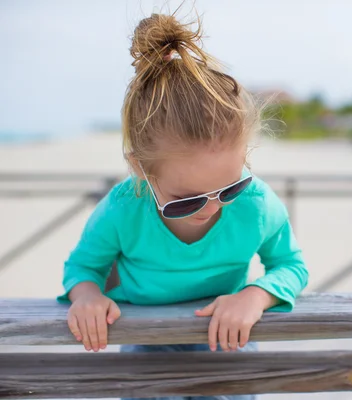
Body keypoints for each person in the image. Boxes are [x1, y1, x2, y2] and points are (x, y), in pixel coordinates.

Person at [57, 12, 308, 400]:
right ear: (141, 170)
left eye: (231, 187)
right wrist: (88, 296)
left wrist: (255, 296)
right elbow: (82, 267)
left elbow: (291, 265)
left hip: (226, 338)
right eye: (185, 200)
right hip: (146, 341)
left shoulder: (257, 204)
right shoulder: (124, 209)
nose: (211, 209)